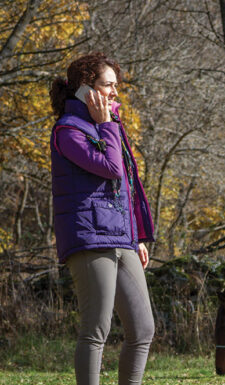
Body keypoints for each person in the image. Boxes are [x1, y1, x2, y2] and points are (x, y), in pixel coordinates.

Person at [49, 52, 155, 385]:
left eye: (115, 86)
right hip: (89, 238)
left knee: (143, 329)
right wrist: (108, 124)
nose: (114, 92)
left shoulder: (110, 127)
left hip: (120, 238)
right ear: (85, 88)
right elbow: (110, 168)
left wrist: (135, 235)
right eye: (107, 85)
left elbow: (126, 186)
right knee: (96, 329)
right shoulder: (67, 130)